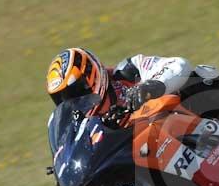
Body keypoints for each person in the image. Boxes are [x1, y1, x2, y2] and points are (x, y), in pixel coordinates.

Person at [46, 47, 195, 127]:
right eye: (63, 98)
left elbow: (179, 65)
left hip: (183, 129)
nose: (72, 102)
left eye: (74, 93)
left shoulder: (128, 71)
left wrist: (149, 87)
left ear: (90, 76)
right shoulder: (78, 123)